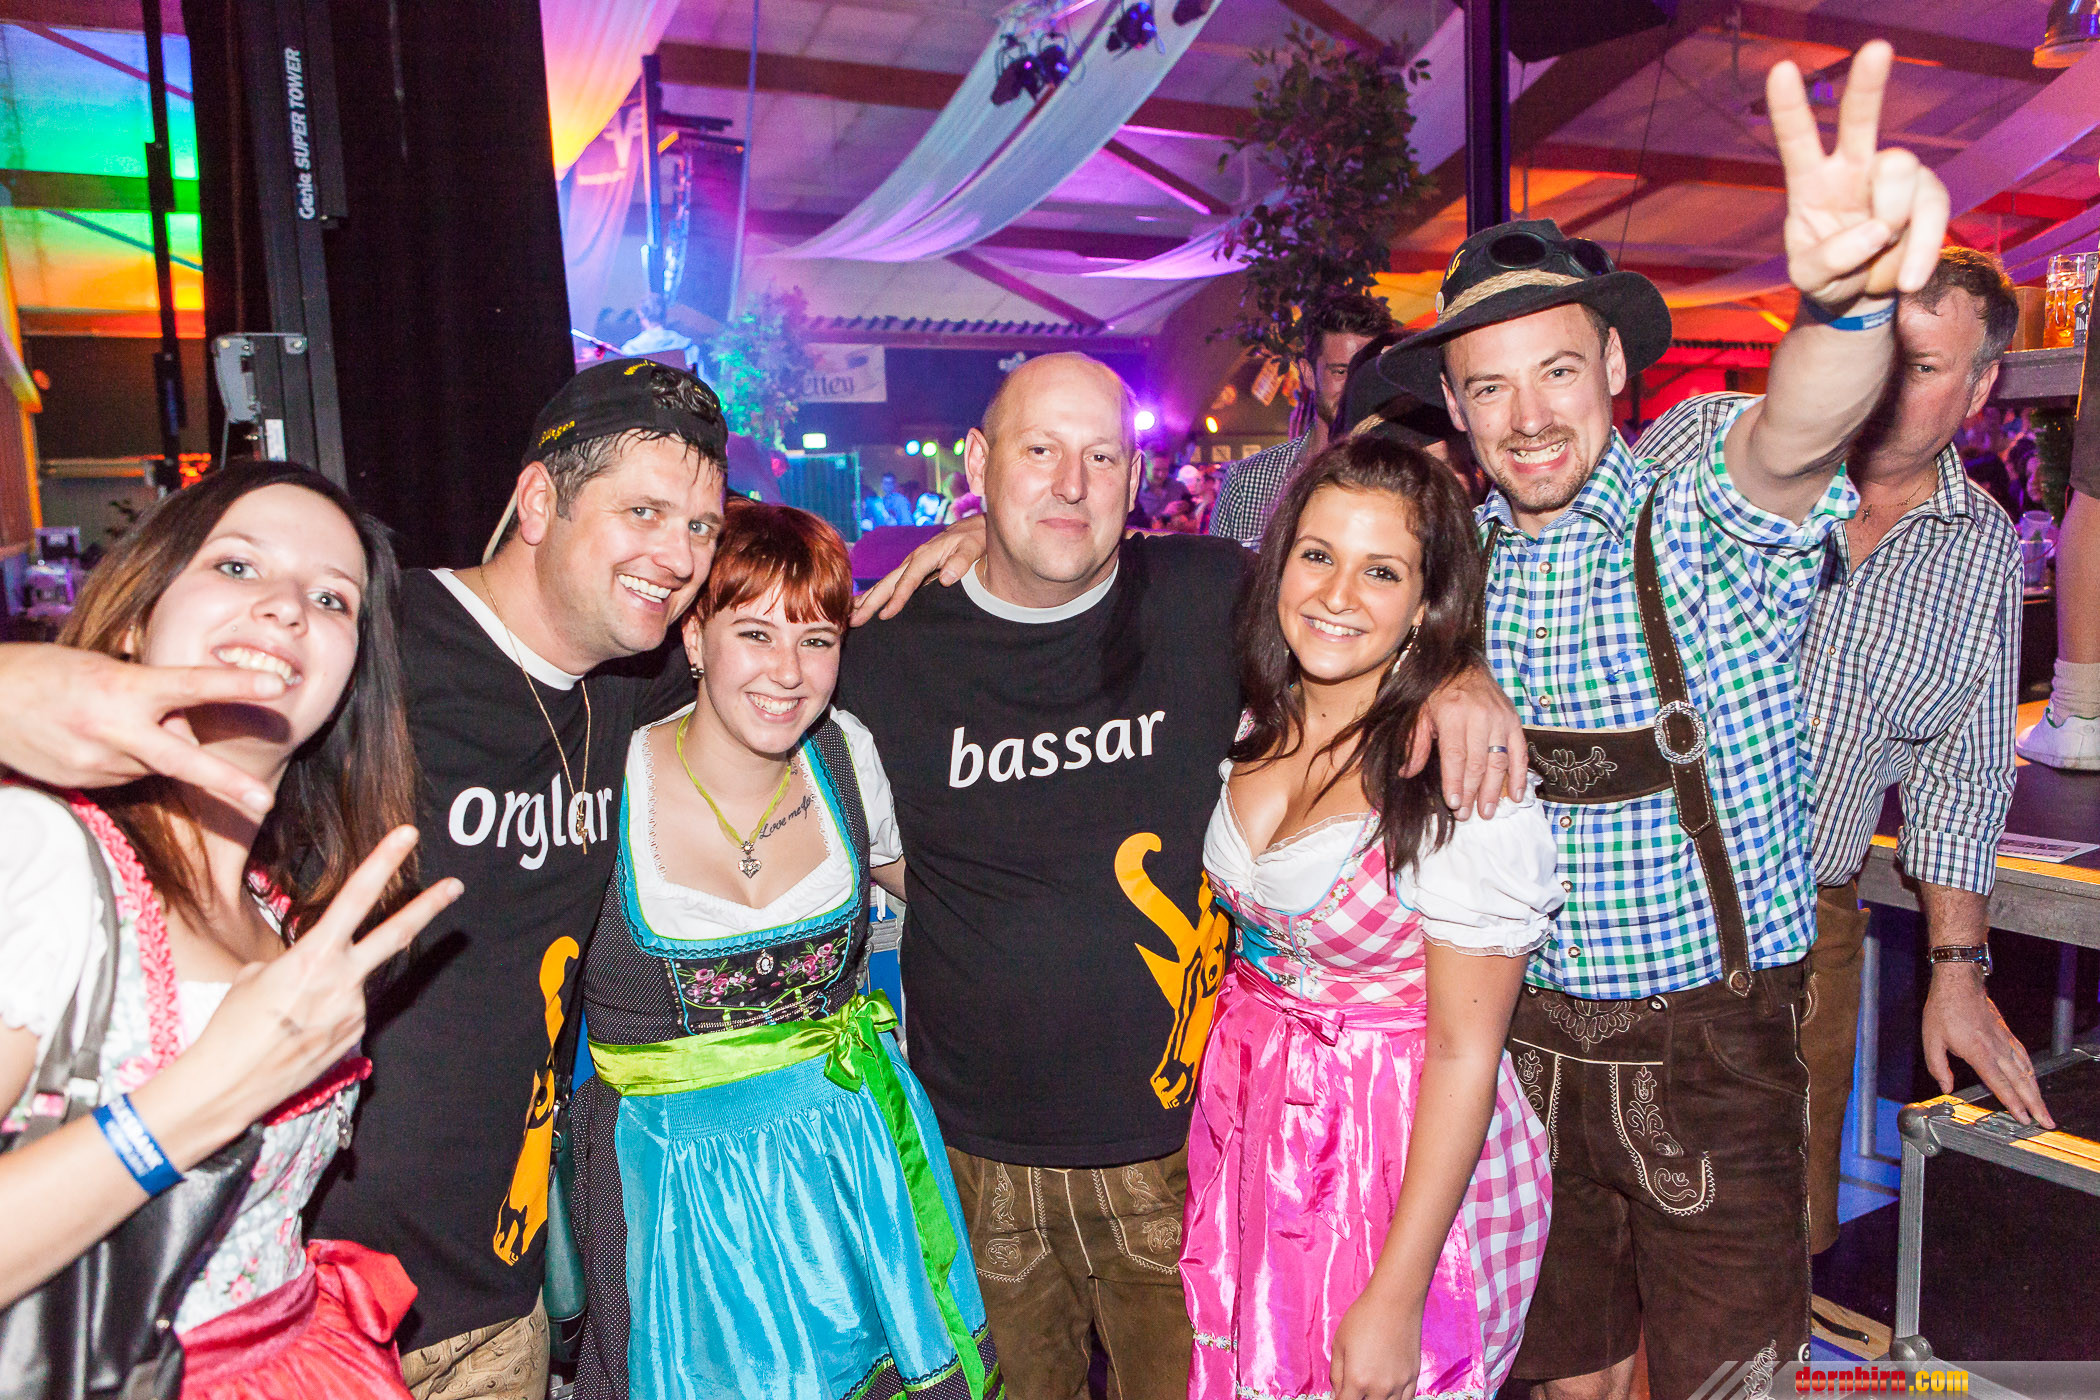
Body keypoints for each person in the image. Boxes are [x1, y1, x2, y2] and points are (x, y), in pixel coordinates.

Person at [1375, 43, 1948, 1399]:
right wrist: (1445, 671)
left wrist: (1844, 312)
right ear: (1453, 407)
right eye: (1490, 387)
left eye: (1557, 372)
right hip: (1520, 1055)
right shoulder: (1453, 570)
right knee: (1559, 1380)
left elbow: (1792, 442)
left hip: (1713, 1055)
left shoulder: (1700, 533)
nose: (1528, 417)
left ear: (1617, 367)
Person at [836, 353, 1529, 1400]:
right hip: (977, 1162)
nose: (1070, 483)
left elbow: (1361, 596)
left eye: (1100, 456)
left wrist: (1462, 674)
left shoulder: (1209, 594)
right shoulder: (885, 649)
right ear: (977, 464)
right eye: (1038, 451)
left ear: (1134, 476)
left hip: (1191, 1153)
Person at [0, 463, 464, 1396]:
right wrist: (201, 1097)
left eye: (332, 599)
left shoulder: (277, 908)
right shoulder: (42, 851)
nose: (289, 607)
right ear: (136, 621)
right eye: (239, 567)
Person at [571, 503, 998, 1400]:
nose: (789, 673)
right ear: (695, 637)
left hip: (853, 1176)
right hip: (672, 1200)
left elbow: (957, 893)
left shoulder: (846, 756)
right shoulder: (608, 776)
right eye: (756, 633)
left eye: (816, 640)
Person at [1183, 436, 1559, 1400]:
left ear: (1427, 603)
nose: (1337, 594)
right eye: (1317, 555)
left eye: (1381, 571)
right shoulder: (1257, 715)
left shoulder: (1461, 782)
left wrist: (1399, 1294)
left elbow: (1465, 1053)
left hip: (1393, 1158)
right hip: (1258, 1121)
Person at [1792, 247, 2052, 1260]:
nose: (1891, 384)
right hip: (1614, 901)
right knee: (1577, 1260)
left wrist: (1957, 970)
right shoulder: (1728, 449)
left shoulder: (1978, 544)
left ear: (1982, 387)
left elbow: (1962, 775)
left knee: (1769, 1259)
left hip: (1801, 931)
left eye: (1928, 365)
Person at [1208, 293, 1394, 545]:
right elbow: (1219, 570)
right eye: (1340, 372)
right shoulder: (1248, 482)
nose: (1354, 387)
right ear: (1307, 373)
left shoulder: (1402, 478)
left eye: (1365, 371)